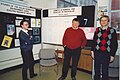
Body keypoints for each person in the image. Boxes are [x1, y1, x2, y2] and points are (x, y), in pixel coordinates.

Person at [91, 15, 118, 80]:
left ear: (108, 22)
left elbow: (114, 44)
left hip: (106, 54)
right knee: (96, 70)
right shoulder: (97, 30)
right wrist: (92, 51)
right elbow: (94, 41)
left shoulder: (112, 31)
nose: (103, 22)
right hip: (97, 53)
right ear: (100, 22)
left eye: (105, 20)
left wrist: (112, 55)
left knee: (105, 71)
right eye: (102, 20)